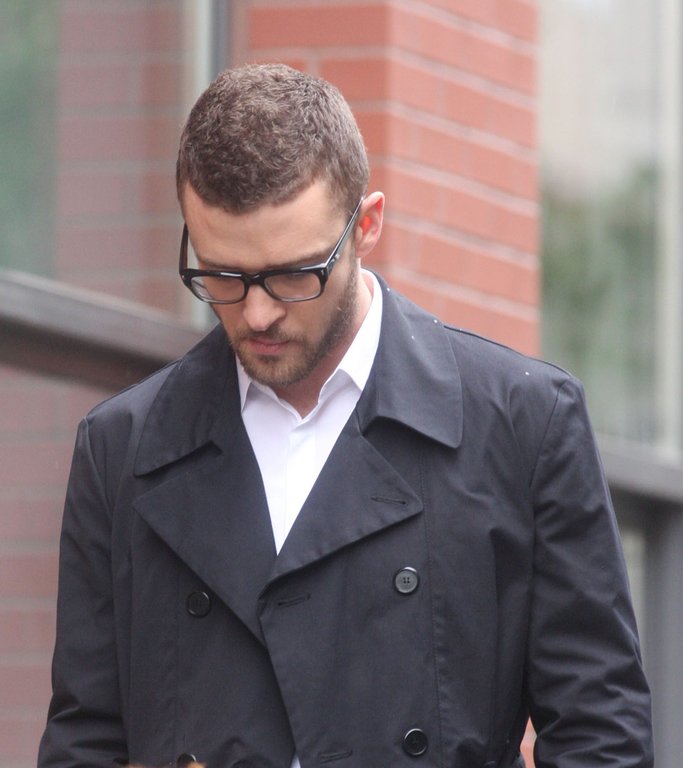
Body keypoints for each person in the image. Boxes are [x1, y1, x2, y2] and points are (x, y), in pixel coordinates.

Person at [38, 63, 653, 768]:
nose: (257, 313)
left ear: (367, 225)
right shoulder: (122, 448)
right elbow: (84, 741)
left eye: (292, 274)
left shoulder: (522, 422)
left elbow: (601, 734)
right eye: (222, 276)